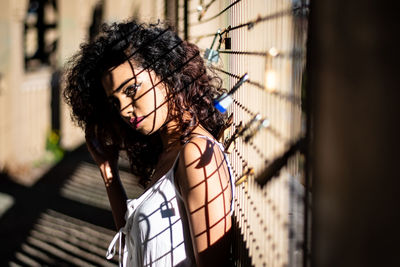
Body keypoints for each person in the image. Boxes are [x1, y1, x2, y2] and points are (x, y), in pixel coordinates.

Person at [63, 20, 234, 267]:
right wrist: (107, 169)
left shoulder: (197, 155)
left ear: (167, 72)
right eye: (115, 102)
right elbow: (136, 241)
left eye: (131, 90)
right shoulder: (170, 151)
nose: (123, 110)